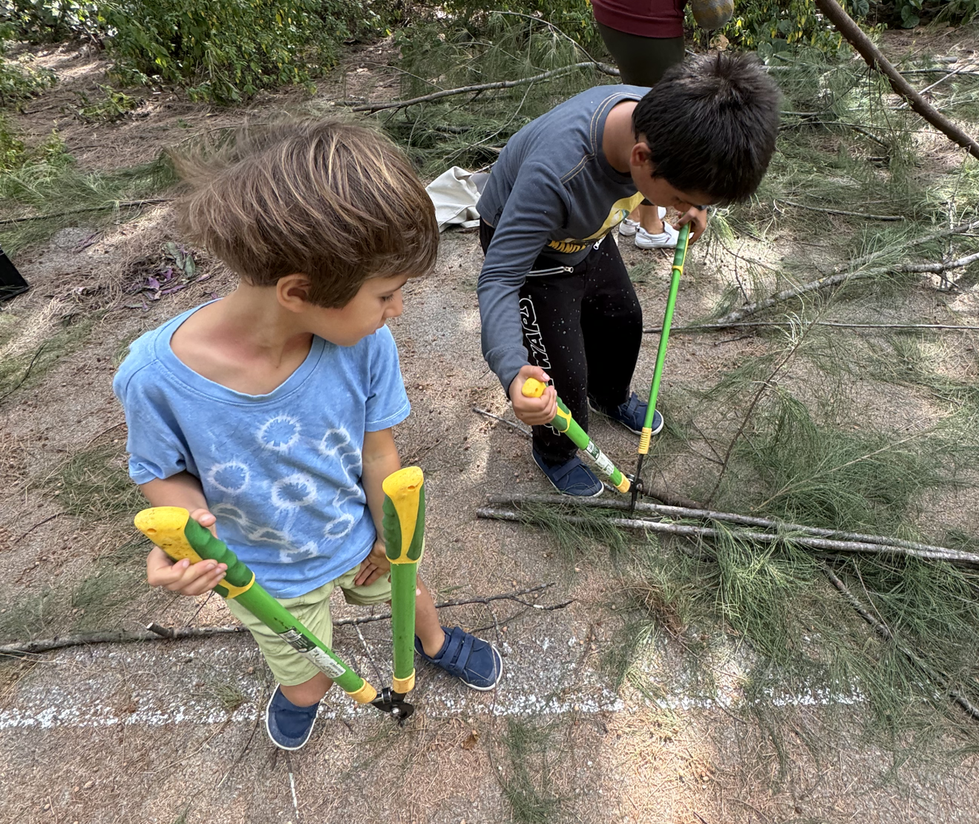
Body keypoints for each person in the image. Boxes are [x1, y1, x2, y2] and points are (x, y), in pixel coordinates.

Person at [114, 120, 502, 751]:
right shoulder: (154, 378)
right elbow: (161, 473)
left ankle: (432, 643)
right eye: (387, 295)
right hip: (266, 576)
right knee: (307, 682)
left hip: (360, 538)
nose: (396, 311)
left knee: (414, 600)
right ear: (299, 292)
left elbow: (378, 453)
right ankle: (301, 692)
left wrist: (389, 536)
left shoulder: (366, 345)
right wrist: (188, 539)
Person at [477, 53, 779, 496]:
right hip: (533, 255)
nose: (678, 209)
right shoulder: (557, 174)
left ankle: (610, 396)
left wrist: (697, 204)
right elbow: (500, 276)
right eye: (677, 197)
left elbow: (687, 178)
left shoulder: (666, 118)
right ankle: (556, 451)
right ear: (641, 158)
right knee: (562, 381)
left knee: (623, 319)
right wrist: (511, 369)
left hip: (589, 233)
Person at [591, 0, 735, 248]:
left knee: (642, 103)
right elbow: (714, 13)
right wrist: (697, 202)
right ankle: (650, 226)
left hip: (611, 12)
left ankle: (634, 213)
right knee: (659, 127)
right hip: (650, 20)